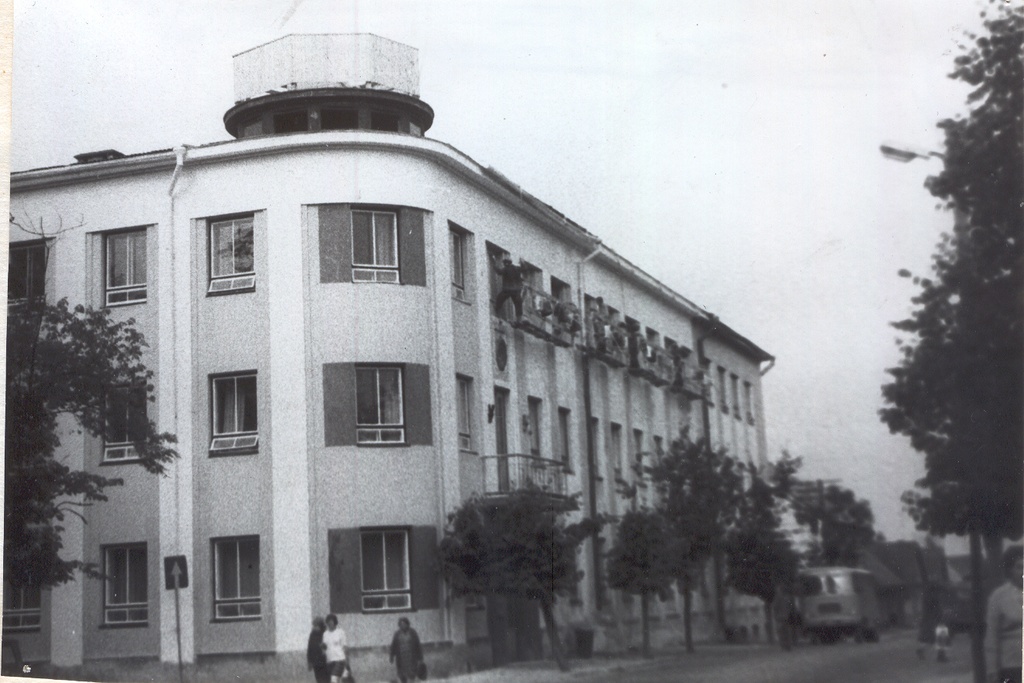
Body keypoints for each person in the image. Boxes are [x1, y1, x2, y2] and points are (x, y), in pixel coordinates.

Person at [986, 545, 1023, 683]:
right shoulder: (999, 597)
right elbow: (991, 636)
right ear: (1010, 569)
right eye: (1019, 567)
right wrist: (992, 669)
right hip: (1010, 666)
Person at [389, 617, 424, 683]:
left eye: (404, 624)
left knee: (412, 674)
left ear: (408, 624)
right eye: (401, 624)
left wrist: (420, 657)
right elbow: (393, 645)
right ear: (399, 625)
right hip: (401, 658)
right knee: (402, 675)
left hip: (411, 658)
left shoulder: (413, 632)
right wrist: (391, 656)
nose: (403, 626)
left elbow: (418, 645)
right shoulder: (397, 634)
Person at [321, 614, 348, 683]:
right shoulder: (325, 634)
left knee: (334, 678)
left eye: (331, 621)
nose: (330, 623)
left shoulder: (340, 632)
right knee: (337, 679)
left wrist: (346, 661)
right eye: (328, 622)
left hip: (339, 659)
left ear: (335, 622)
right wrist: (322, 648)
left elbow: (344, 646)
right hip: (329, 660)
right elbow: (324, 647)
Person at [307, 617, 330, 683]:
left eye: (315, 625)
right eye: (314, 625)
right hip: (316, 662)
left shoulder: (325, 633)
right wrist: (309, 662)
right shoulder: (312, 634)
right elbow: (310, 648)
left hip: (325, 661)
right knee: (319, 679)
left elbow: (329, 646)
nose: (314, 627)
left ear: (320, 625)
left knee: (326, 679)